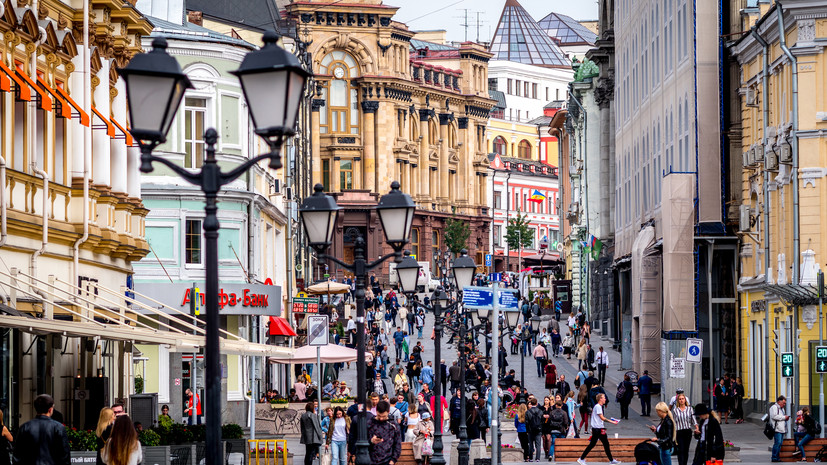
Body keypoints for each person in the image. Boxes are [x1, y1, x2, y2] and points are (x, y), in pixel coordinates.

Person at [12, 394, 70, 465]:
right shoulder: (58, 427)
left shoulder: (25, 427)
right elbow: (64, 456)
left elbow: (17, 455)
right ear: (50, 409)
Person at [576, 393, 620, 465]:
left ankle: (611, 460)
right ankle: (581, 458)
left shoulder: (598, 406)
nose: (605, 399)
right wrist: (612, 422)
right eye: (604, 398)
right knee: (600, 444)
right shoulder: (598, 407)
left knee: (602, 444)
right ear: (600, 399)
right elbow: (602, 418)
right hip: (597, 429)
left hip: (598, 429)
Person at [368, 401, 402, 465]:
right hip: (371, 460)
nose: (381, 418)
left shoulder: (393, 425)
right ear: (376, 411)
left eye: (383, 416)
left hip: (387, 461)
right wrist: (371, 441)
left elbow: (397, 444)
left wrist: (393, 460)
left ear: (388, 412)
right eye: (379, 415)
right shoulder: (369, 424)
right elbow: (362, 444)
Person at [671, 393, 697, 465]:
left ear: (685, 400)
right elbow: (674, 421)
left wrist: (697, 428)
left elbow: (693, 420)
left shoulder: (690, 409)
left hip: (687, 431)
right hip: (679, 431)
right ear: (678, 401)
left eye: (683, 399)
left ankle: (684, 463)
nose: (681, 400)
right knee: (680, 449)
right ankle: (681, 463)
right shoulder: (675, 410)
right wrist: (672, 432)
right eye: (680, 399)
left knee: (686, 450)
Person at [547, 396, 570, 460]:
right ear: (562, 405)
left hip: (553, 430)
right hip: (561, 430)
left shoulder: (552, 412)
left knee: (553, 443)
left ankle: (550, 455)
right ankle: (561, 455)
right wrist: (566, 427)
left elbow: (549, 421)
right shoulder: (564, 413)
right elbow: (565, 422)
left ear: (556, 405)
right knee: (561, 443)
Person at [769, 395, 790, 462]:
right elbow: (774, 416)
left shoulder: (781, 409)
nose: (784, 404)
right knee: (777, 443)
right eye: (783, 403)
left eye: (785, 403)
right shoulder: (774, 407)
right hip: (777, 429)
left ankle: (777, 457)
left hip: (781, 429)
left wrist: (785, 418)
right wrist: (784, 418)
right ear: (779, 402)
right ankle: (774, 457)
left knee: (779, 444)